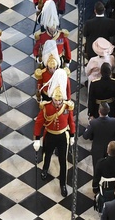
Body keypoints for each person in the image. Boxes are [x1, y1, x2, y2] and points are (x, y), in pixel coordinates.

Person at [33, 69, 75, 197]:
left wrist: (72, 135)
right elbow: (39, 123)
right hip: (50, 134)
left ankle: (63, 184)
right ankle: (45, 169)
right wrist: (37, 138)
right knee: (47, 155)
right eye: (56, 100)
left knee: (63, 161)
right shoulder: (46, 107)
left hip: (62, 136)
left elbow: (71, 121)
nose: (57, 102)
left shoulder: (67, 107)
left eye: (59, 100)